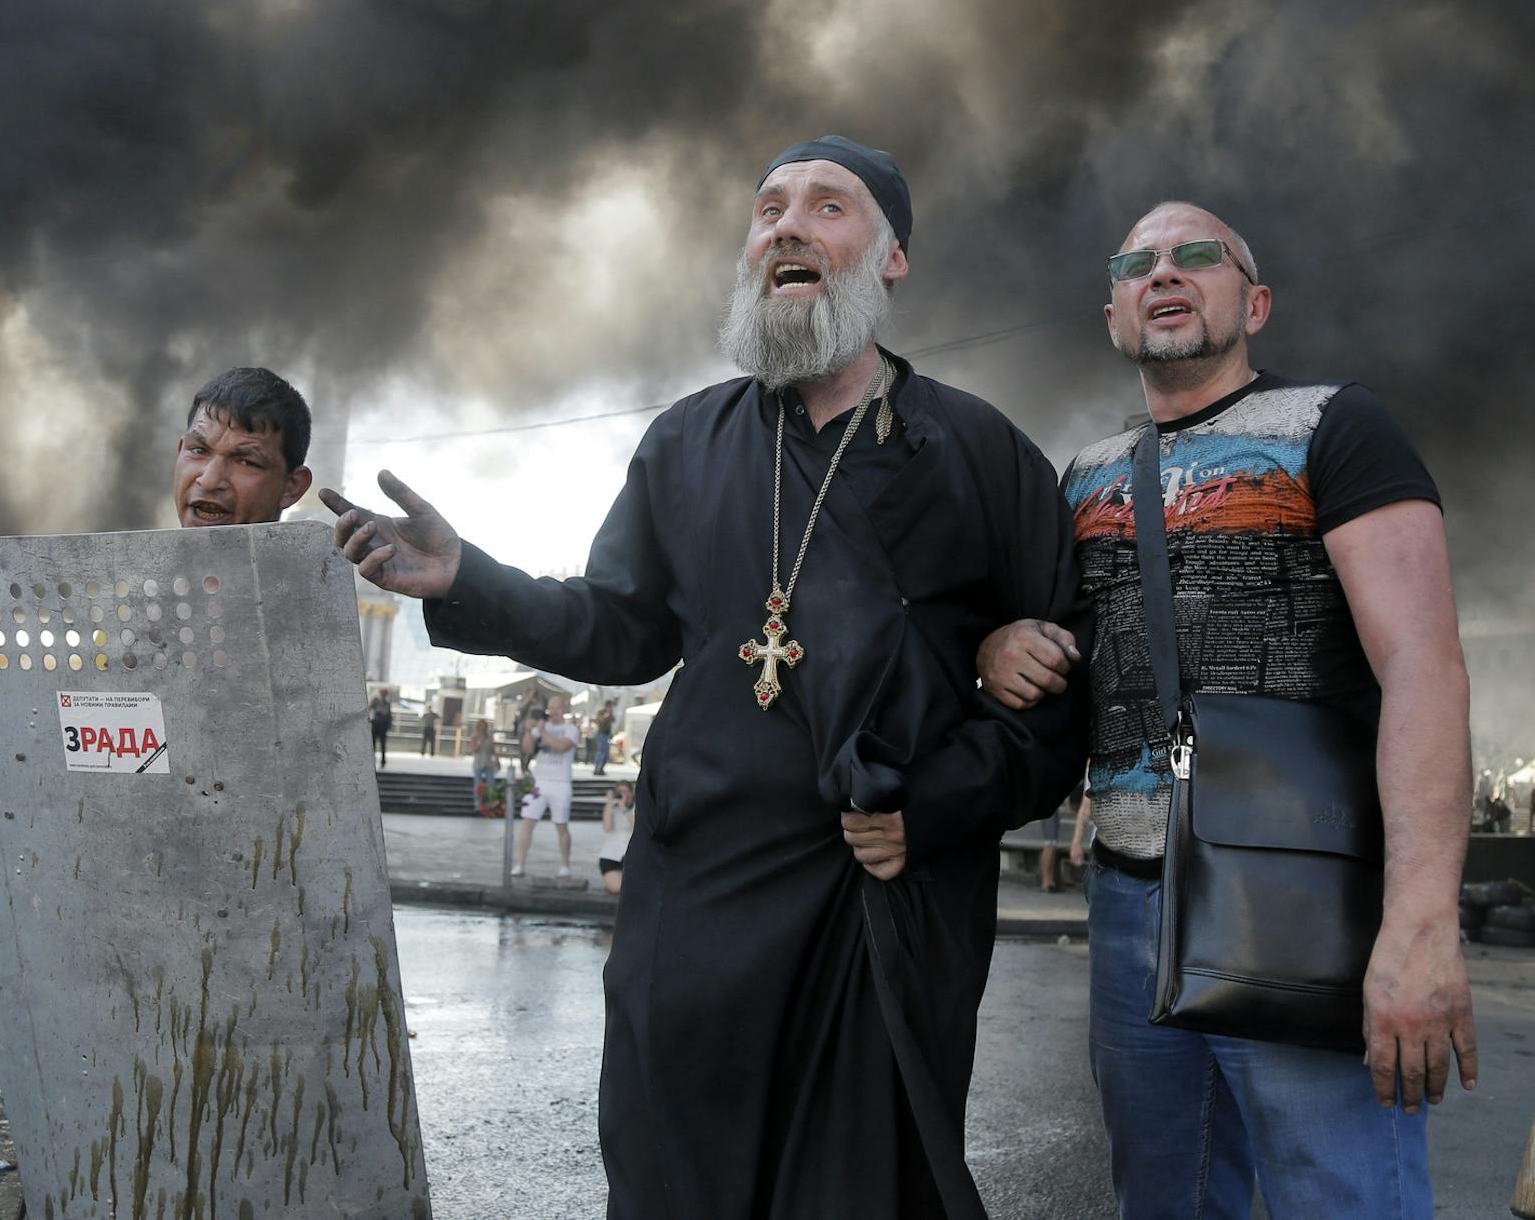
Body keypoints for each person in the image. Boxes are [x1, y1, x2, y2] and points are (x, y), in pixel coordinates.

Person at [320, 135, 1088, 1219]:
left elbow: (1061, 691)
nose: (788, 225)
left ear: (892, 256)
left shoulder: (978, 451)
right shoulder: (686, 443)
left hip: (877, 891)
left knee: (855, 1193)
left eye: (829, 208)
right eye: (770, 207)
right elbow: (619, 628)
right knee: (674, 1176)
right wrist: (467, 580)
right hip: (698, 894)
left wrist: (938, 803)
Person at [978, 201, 1476, 1217]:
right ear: (1115, 316)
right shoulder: (1085, 476)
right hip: (1131, 899)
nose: (1164, 271)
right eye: (1138, 263)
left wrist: (1423, 919)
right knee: (1165, 1198)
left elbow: (1424, 665)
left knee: (1341, 1196)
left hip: (1299, 889)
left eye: (1195, 255)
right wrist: (999, 645)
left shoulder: (1334, 424)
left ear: (1252, 301)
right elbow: (1060, 653)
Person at [171, 366, 314, 528]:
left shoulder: (328, 553)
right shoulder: (141, 553)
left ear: (291, 486)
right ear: (180, 451)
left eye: (245, 462)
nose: (209, 481)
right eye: (199, 451)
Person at [514, 695, 579, 878]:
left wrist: (542, 733)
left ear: (564, 709)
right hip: (539, 781)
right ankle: (520, 863)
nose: (554, 711)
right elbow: (527, 749)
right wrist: (528, 731)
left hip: (561, 782)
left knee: (561, 825)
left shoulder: (571, 729)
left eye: (558, 707)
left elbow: (560, 747)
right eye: (551, 707)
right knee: (528, 822)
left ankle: (565, 864)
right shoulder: (541, 727)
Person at [599, 780, 635, 894]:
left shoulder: (638, 807)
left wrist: (624, 809)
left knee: (631, 887)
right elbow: (607, 828)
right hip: (611, 855)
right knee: (617, 888)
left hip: (632, 856)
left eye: (626, 791)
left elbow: (637, 827)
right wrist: (610, 803)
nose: (623, 795)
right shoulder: (611, 808)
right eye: (620, 792)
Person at [469, 725, 500, 813]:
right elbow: (474, 750)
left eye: (484, 728)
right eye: (481, 728)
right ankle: (477, 804)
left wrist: (497, 760)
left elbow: (493, 750)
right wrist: (479, 742)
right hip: (478, 762)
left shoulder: (490, 737)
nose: (482, 730)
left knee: (491, 784)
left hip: (488, 763)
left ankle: (491, 803)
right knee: (478, 784)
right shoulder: (474, 737)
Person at [369, 688, 394, 768]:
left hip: (383, 725)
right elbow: (370, 708)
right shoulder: (376, 701)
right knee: (373, 743)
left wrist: (388, 725)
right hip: (376, 723)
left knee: (383, 744)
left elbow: (389, 714)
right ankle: (372, 759)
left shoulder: (387, 703)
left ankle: (383, 760)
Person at [591, 699, 616, 776]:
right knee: (601, 752)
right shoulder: (601, 712)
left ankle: (601, 768)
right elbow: (600, 721)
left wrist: (610, 714)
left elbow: (613, 720)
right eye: (610, 706)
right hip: (601, 734)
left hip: (606, 735)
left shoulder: (610, 713)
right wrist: (607, 714)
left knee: (606, 753)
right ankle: (597, 768)